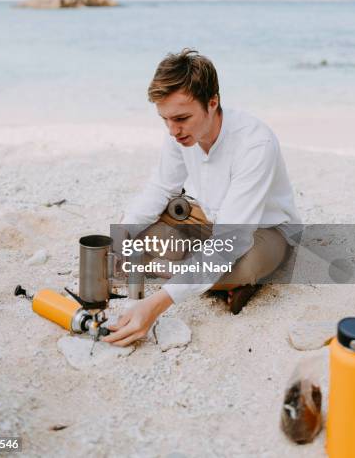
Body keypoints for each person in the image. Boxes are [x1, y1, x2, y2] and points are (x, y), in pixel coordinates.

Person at [102, 49, 301, 347]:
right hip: (207, 220)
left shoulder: (255, 143)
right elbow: (160, 187)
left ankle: (231, 279)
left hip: (265, 231)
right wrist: (121, 236)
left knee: (237, 264)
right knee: (138, 235)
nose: (172, 130)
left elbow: (231, 241)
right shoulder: (179, 133)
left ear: (212, 102)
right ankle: (199, 276)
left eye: (181, 118)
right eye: (165, 119)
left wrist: (156, 304)